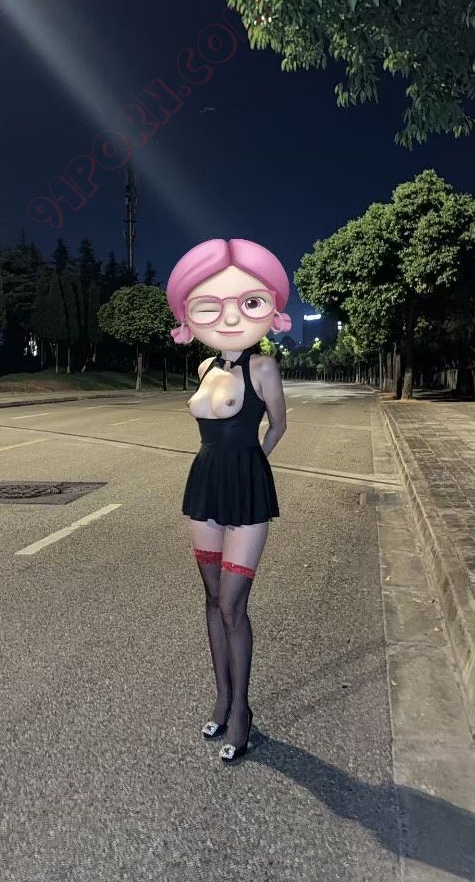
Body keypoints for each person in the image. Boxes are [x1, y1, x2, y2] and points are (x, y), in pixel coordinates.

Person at [166, 238, 290, 763]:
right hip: (206, 483)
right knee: (211, 597)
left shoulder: (263, 368)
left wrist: (255, 461)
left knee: (233, 604)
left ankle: (241, 710)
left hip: (247, 488)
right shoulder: (204, 368)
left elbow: (279, 424)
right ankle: (220, 697)